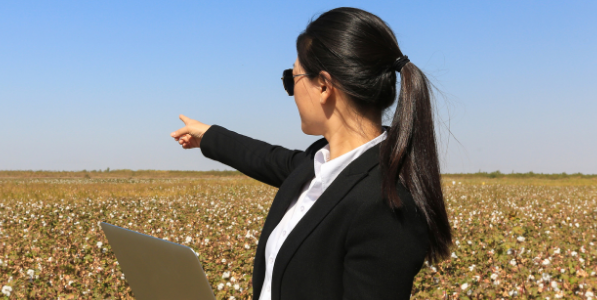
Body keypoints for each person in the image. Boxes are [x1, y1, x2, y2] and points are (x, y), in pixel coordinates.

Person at [169, 7, 452, 300]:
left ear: (323, 86)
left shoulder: (386, 206)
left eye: (292, 78)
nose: (290, 91)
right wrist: (209, 136)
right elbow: (268, 158)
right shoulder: (319, 162)